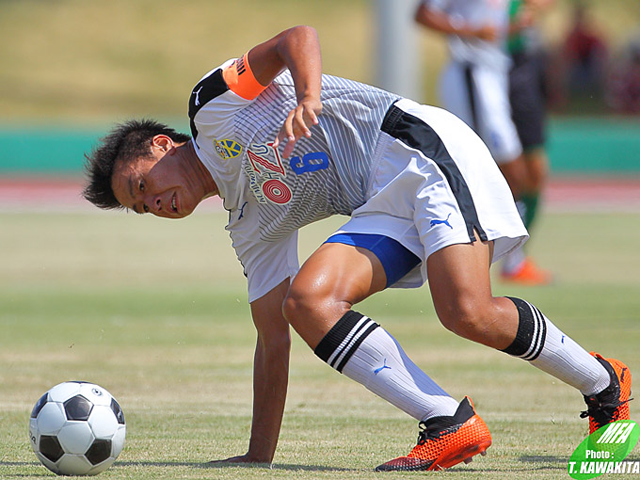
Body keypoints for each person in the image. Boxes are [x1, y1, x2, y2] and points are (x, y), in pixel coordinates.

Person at [82, 26, 631, 472]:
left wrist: (308, 97)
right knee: (305, 305)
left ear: (161, 145)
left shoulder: (211, 108)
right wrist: (257, 456)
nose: (152, 204)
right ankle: (449, 422)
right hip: (382, 202)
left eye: (140, 187)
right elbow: (273, 343)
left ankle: (605, 385)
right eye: (140, 208)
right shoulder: (247, 226)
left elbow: (296, 37)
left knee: (468, 312)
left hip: (418, 150)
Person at [415, 0, 551, 284]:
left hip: (495, 74)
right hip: (471, 74)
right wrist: (471, 30)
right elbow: (423, 14)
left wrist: (514, 26)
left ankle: (510, 259)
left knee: (515, 175)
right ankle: (457, 258)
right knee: (474, 172)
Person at [503, 0, 554, 283]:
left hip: (528, 77)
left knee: (535, 173)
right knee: (513, 175)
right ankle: (509, 258)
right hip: (502, 77)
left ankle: (516, 258)